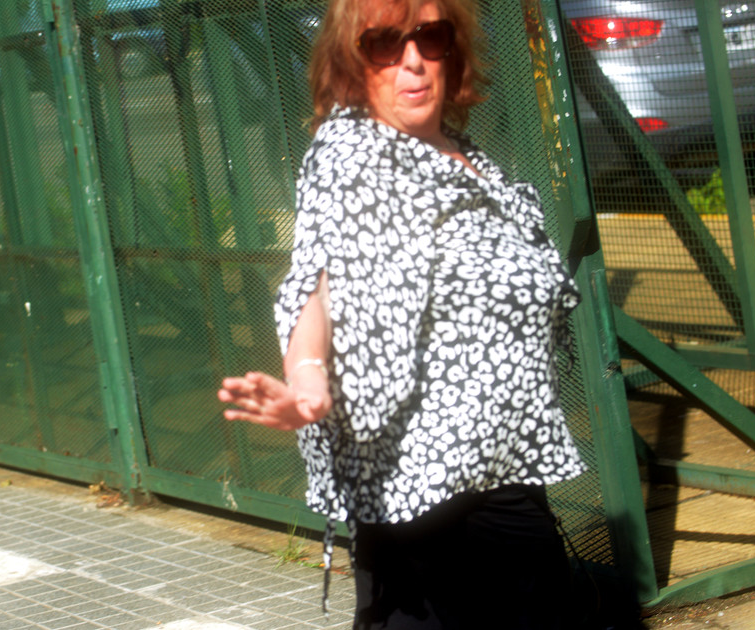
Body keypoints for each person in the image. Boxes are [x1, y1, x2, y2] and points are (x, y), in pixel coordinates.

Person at [217, 0, 585, 627]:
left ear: (452, 51)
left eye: (430, 37)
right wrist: (307, 382)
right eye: (384, 44)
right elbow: (317, 284)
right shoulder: (353, 156)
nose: (412, 60)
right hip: (416, 492)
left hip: (507, 470)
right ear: (351, 62)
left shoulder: (470, 160)